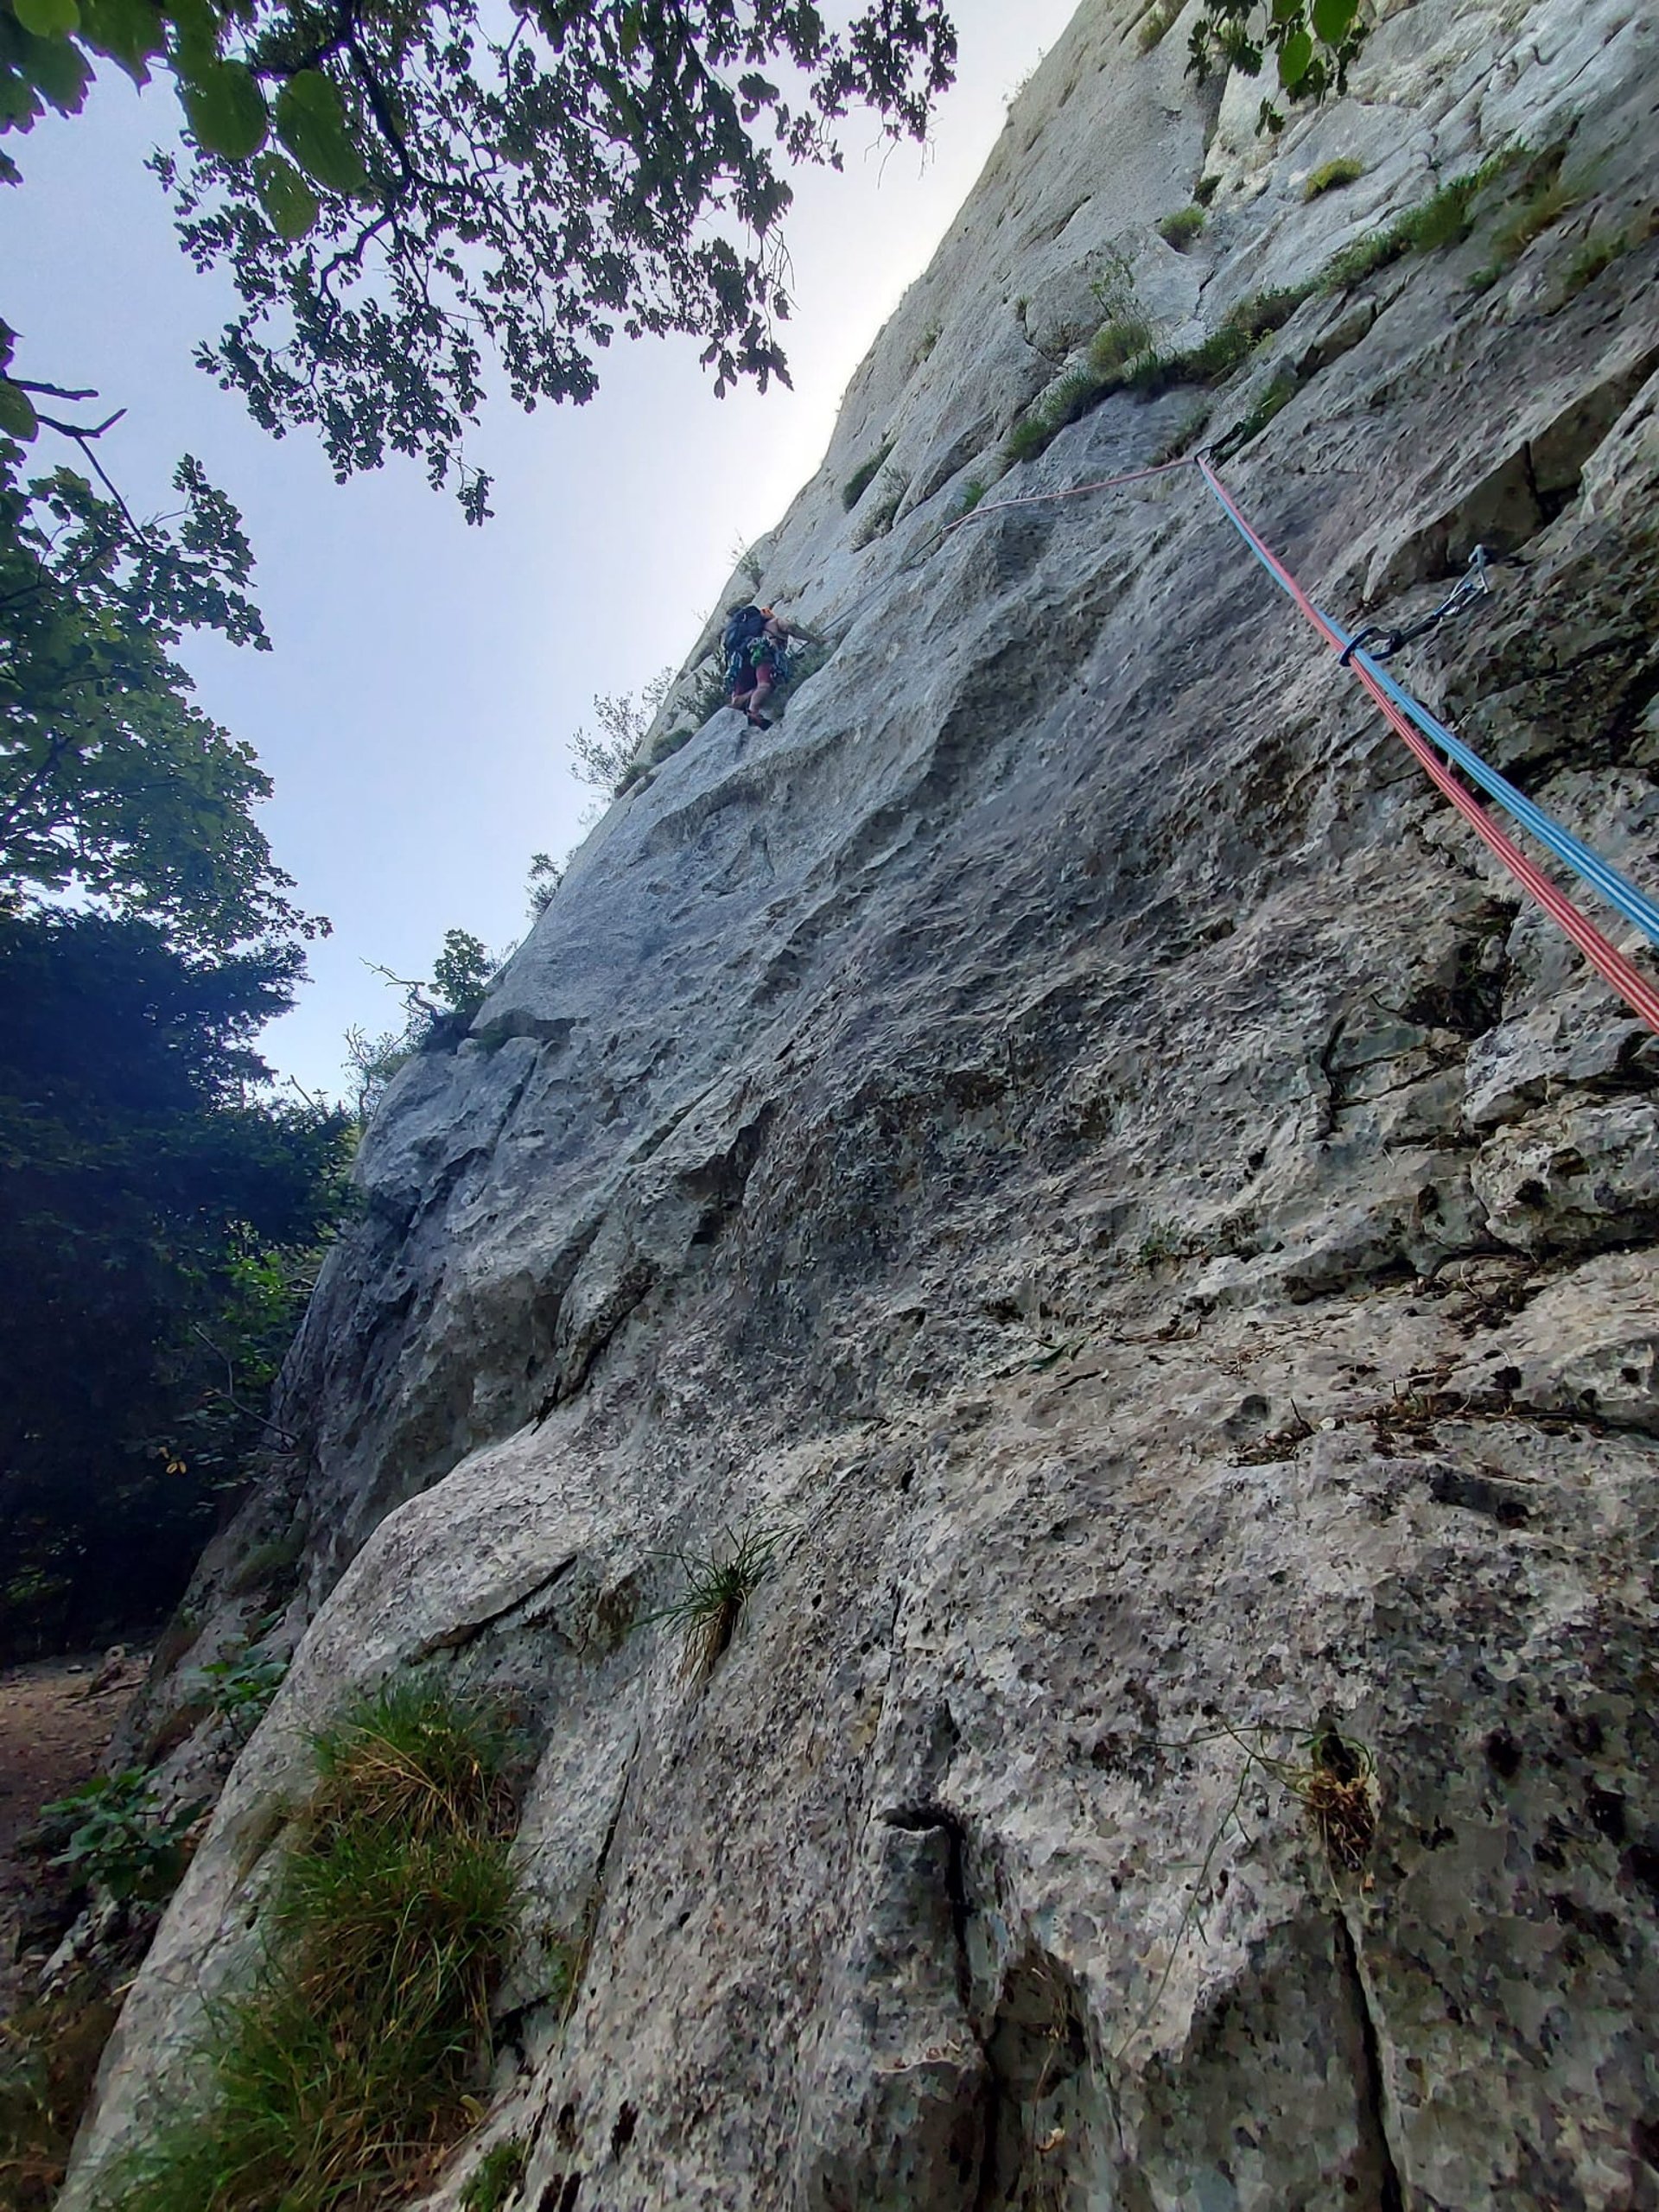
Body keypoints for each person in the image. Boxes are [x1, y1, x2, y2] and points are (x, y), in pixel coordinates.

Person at [721, 603, 823, 729]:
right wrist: (816, 640)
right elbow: (791, 627)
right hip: (762, 655)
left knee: (737, 699)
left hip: (742, 662)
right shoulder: (774, 622)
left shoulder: (744, 634)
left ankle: (746, 699)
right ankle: (753, 711)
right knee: (765, 685)